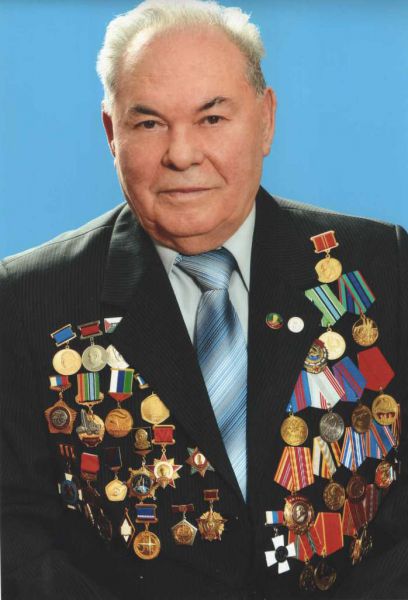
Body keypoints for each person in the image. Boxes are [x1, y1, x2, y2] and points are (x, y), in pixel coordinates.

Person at [1, 1, 407, 598]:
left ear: (265, 120)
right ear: (111, 133)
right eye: (149, 124)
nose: (182, 154)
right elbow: (14, 527)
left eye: (212, 118)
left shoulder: (382, 264)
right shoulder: (26, 299)